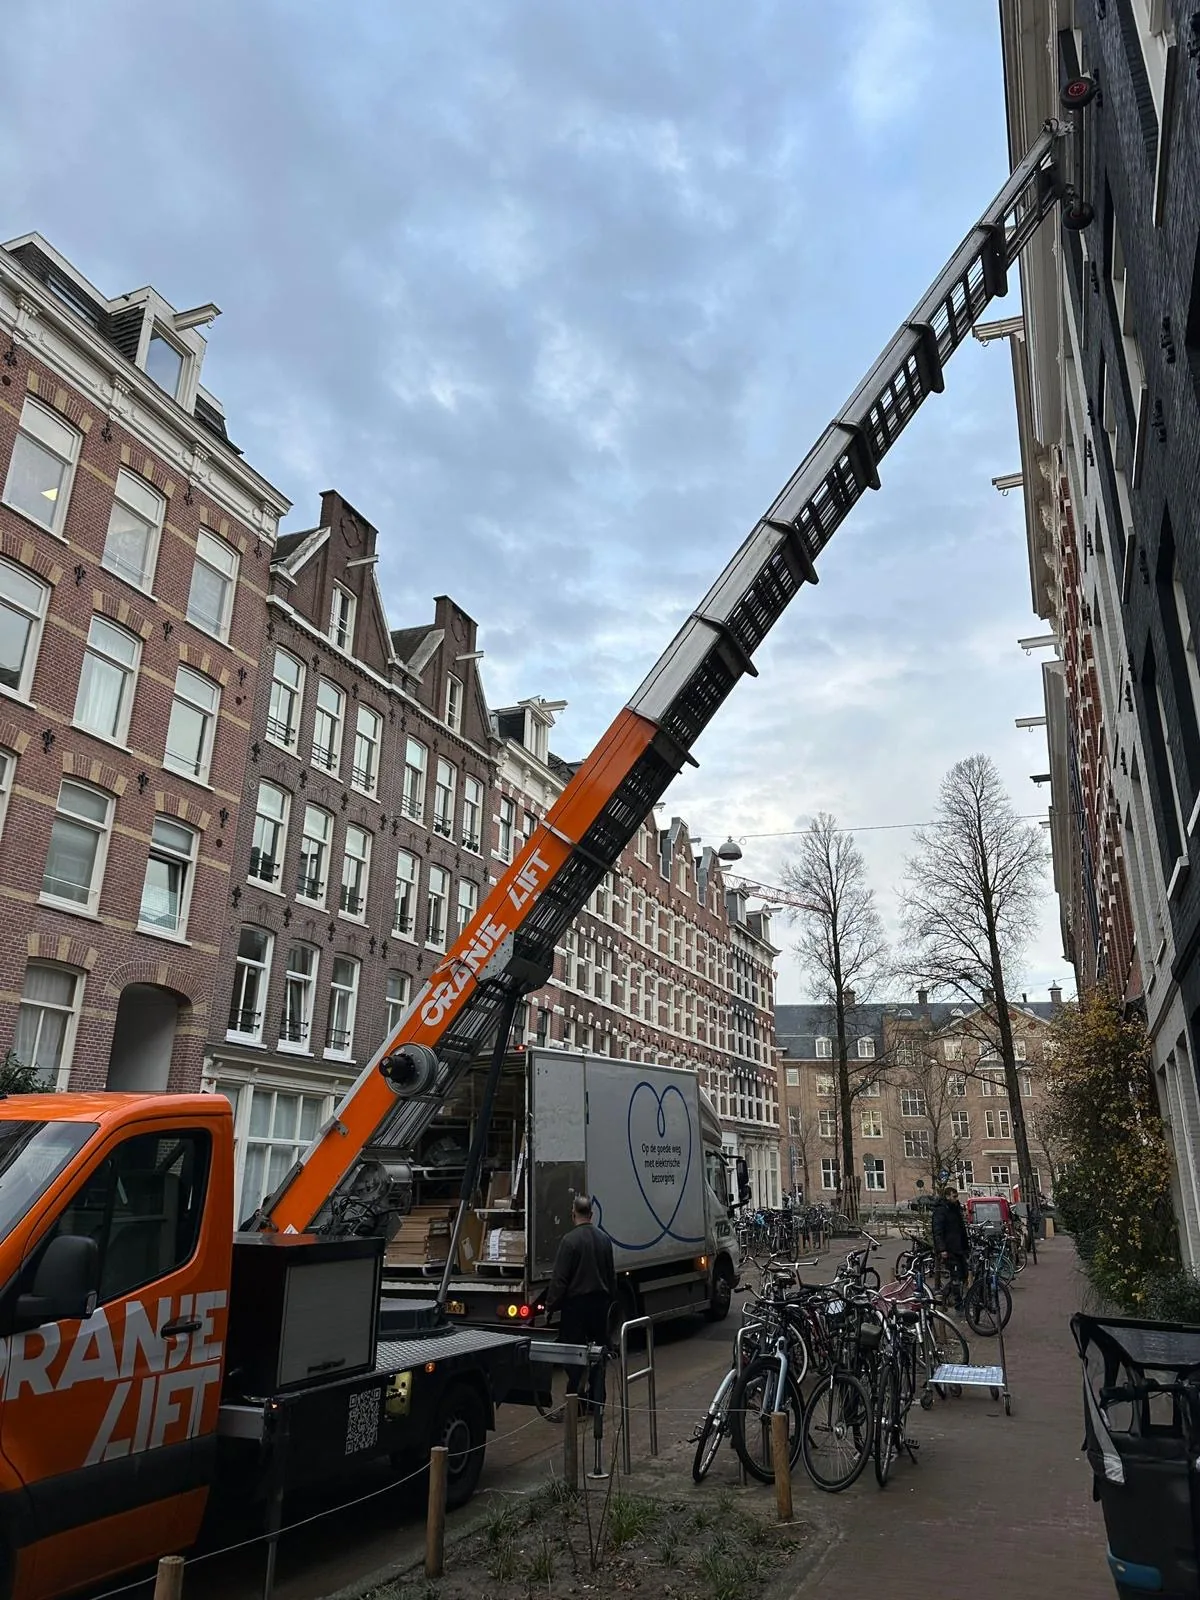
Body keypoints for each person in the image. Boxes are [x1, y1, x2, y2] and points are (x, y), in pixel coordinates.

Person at [545, 1193, 617, 1408]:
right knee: (598, 1354)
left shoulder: (569, 1241)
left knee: (574, 1355)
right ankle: (597, 1399)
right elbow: (611, 1275)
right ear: (591, 1214)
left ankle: (576, 1399)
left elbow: (560, 1279)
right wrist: (610, 1302)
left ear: (573, 1214)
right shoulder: (604, 1239)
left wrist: (551, 1305)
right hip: (599, 1305)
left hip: (575, 1307)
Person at [931, 1184, 969, 1308]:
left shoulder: (956, 1209)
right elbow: (938, 1231)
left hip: (959, 1247)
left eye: (957, 1196)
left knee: (963, 1274)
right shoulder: (941, 1211)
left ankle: (944, 1295)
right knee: (956, 1276)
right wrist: (942, 1249)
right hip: (949, 1248)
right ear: (947, 1196)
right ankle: (958, 1303)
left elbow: (961, 1228)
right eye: (954, 1196)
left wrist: (965, 1245)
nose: (956, 1198)